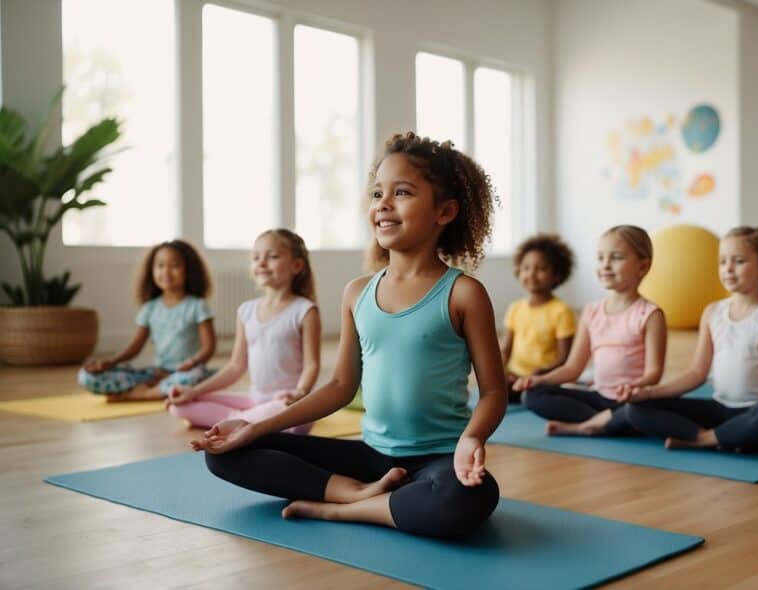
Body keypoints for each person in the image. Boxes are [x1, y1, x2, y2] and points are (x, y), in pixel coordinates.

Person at [191, 132, 505, 539]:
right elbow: (340, 386)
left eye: (403, 192)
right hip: (370, 457)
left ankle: (339, 510)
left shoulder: (464, 294)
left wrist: (471, 440)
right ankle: (357, 493)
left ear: (444, 212)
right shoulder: (358, 293)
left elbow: (495, 392)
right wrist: (256, 427)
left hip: (438, 460)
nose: (383, 205)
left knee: (470, 496)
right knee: (228, 453)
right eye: (377, 194)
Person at [621, 227, 758, 451]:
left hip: (754, 410)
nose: (728, 269)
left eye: (738, 261)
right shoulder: (712, 312)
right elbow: (696, 374)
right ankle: (717, 437)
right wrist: (649, 393)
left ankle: (703, 440)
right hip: (718, 410)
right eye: (723, 261)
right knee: (637, 409)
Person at [514, 225, 667, 436]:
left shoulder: (650, 314)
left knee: (644, 409)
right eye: (601, 257)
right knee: (532, 395)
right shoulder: (591, 311)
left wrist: (633, 389)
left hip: (630, 400)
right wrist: (541, 380)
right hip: (599, 398)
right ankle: (602, 423)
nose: (605, 265)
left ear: (642, 267)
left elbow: (654, 374)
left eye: (616, 257)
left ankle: (588, 425)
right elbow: (573, 369)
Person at [167, 229, 320, 432]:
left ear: (297, 265)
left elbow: (312, 365)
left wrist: (300, 393)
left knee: (285, 411)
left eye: (272, 256)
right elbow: (235, 367)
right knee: (180, 405)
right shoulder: (246, 311)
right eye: (256, 257)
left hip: (288, 405)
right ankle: (240, 422)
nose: (262, 263)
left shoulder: (304, 311)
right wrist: (193, 391)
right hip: (254, 401)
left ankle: (237, 422)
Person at [78, 240, 214, 401]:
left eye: (175, 265)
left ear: (189, 271)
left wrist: (192, 363)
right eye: (160, 266)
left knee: (196, 377)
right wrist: (110, 362)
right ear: (152, 271)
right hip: (157, 373)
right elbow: (135, 348)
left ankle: (141, 394)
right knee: (85, 376)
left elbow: (209, 348)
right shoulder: (149, 308)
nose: (166, 272)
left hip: (188, 373)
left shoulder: (197, 306)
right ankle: (157, 389)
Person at [501, 234, 576, 403]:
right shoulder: (515, 308)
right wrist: (503, 372)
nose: (532, 274)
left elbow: (564, 359)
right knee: (493, 389)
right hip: (515, 376)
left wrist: (541, 374)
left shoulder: (562, 311)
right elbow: (505, 349)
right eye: (526, 268)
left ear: (557, 275)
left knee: (538, 395)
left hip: (544, 378)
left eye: (541, 269)